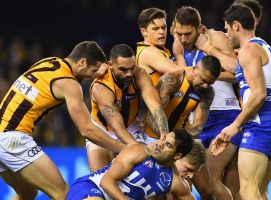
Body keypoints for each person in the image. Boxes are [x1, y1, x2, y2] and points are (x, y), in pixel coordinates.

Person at [0, 41, 125, 199]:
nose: (92, 76)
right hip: (13, 140)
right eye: (93, 70)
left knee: (27, 193)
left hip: (2, 134)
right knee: (65, 194)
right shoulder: (69, 84)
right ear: (82, 62)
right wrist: (122, 148)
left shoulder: (49, 62)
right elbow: (86, 129)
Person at [212, 5, 271, 200]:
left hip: (261, 125)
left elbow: (259, 93)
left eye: (227, 29)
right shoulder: (264, 46)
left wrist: (235, 125)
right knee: (260, 193)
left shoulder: (248, 50)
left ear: (236, 25)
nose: (226, 35)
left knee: (246, 191)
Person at [172, 6, 242, 200]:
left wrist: (208, 64)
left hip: (225, 116)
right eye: (179, 34)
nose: (183, 38)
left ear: (200, 28)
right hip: (197, 122)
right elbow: (183, 82)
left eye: (188, 34)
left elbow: (239, 72)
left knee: (214, 181)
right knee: (208, 187)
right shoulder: (178, 45)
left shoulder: (215, 37)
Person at [86, 44, 169, 172]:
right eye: (123, 70)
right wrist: (138, 148)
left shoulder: (140, 74)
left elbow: (155, 107)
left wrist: (164, 134)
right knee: (101, 182)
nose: (129, 74)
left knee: (144, 179)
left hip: (132, 128)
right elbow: (117, 126)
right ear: (110, 65)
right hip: (103, 132)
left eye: (132, 68)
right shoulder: (101, 86)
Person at [67, 129, 200, 200]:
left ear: (177, 156)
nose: (160, 144)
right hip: (89, 187)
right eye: (163, 138)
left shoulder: (175, 181)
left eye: (168, 145)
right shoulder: (139, 150)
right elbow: (106, 182)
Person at [143, 55, 221, 145]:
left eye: (210, 83)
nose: (205, 86)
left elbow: (198, 126)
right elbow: (151, 115)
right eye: (203, 80)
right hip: (153, 137)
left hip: (179, 140)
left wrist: (179, 140)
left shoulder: (208, 91)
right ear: (195, 69)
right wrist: (166, 137)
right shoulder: (172, 80)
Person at [136, 7, 185, 86]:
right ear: (143, 32)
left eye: (164, 27)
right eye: (155, 29)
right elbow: (181, 75)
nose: (161, 32)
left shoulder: (158, 50)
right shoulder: (149, 52)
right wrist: (179, 55)